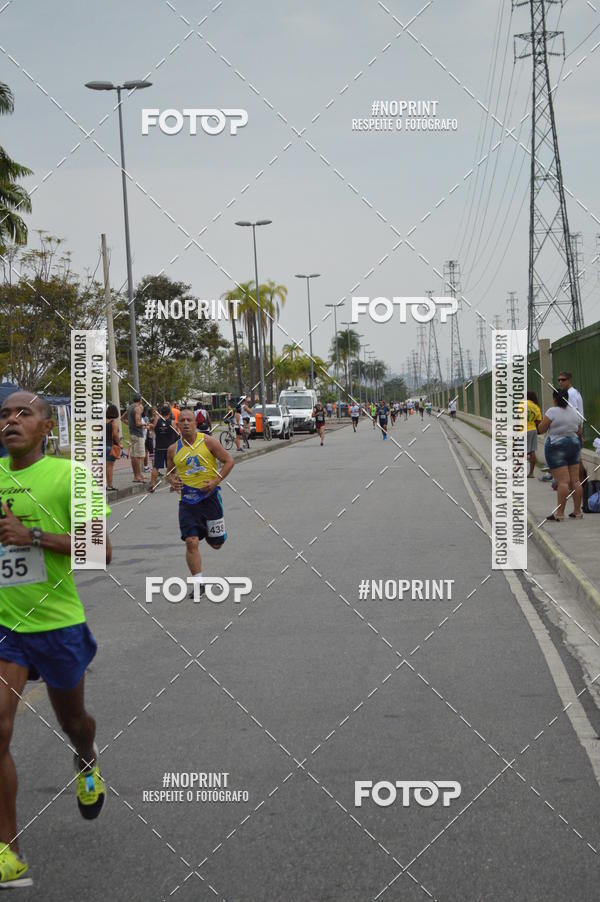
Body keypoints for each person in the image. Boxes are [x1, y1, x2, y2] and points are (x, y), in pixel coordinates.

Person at [0, 392, 112, 888]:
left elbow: (100, 551)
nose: (11, 420)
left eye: (24, 413)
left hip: (58, 624)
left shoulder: (72, 478)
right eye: (5, 413)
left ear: (48, 427)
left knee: (75, 722)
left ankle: (86, 759)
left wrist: (34, 538)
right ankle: (9, 853)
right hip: (6, 628)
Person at [166, 408, 234, 598]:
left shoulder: (209, 441)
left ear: (196, 424)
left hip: (210, 498)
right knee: (191, 541)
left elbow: (229, 461)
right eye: (182, 420)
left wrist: (215, 481)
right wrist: (172, 481)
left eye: (189, 420)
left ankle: (209, 533)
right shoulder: (173, 449)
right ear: (177, 425)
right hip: (187, 502)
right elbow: (169, 473)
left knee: (216, 544)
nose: (186, 423)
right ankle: (198, 584)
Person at [537, 388, 583, 521]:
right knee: (575, 480)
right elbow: (579, 431)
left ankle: (560, 514)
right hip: (574, 445)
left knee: (563, 481)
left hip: (556, 446)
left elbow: (541, 429)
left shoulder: (552, 412)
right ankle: (577, 511)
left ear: (555, 399)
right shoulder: (575, 412)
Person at [558, 371, 585, 482]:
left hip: (573, 431)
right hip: (573, 430)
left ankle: (578, 483)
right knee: (576, 459)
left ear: (569, 380)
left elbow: (576, 413)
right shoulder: (570, 393)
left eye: (563, 380)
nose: (560, 382)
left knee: (575, 460)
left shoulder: (571, 394)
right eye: (559, 380)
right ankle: (579, 482)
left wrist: (578, 431)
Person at [149, 403, 179, 492]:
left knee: (156, 466)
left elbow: (152, 428)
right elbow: (177, 433)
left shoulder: (156, 421)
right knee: (172, 467)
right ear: (169, 413)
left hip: (159, 447)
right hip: (170, 448)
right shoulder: (172, 422)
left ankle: (153, 485)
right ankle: (173, 485)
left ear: (161, 413)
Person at [125, 395, 146, 484]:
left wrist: (130, 424)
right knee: (138, 456)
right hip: (138, 434)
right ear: (140, 400)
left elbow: (122, 418)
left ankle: (137, 475)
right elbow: (138, 423)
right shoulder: (137, 408)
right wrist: (146, 424)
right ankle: (138, 476)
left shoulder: (129, 408)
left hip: (132, 434)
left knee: (134, 456)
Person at [525, 391, 542, 478]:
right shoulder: (536, 407)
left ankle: (516, 472)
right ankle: (531, 473)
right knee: (532, 451)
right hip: (533, 430)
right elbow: (539, 421)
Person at [105, 404, 121, 491]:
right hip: (110, 446)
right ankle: (109, 485)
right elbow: (115, 434)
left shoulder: (103, 421)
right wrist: (119, 443)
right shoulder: (114, 422)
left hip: (101, 445)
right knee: (110, 466)